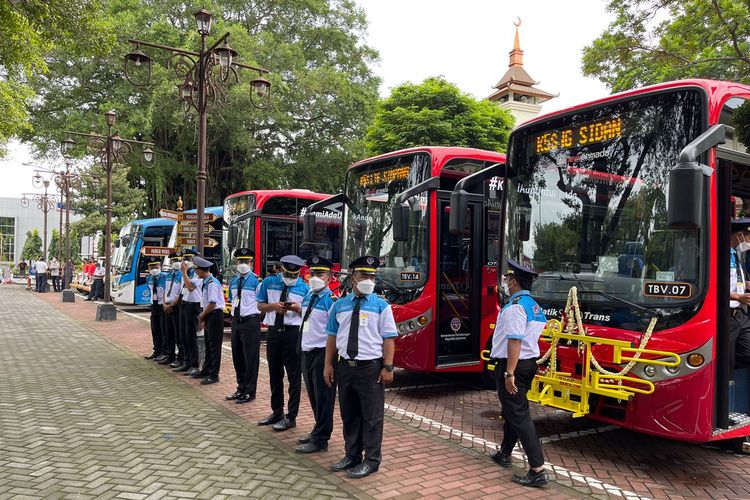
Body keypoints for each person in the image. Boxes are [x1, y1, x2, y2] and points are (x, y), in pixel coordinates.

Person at [323, 255, 397, 479]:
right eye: (365, 275)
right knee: (350, 415)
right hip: (345, 367)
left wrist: (388, 367)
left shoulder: (381, 306)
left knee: (372, 417)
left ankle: (372, 460)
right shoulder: (339, 305)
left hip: (370, 369)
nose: (369, 280)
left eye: (372, 276)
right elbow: (332, 337)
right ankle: (352, 455)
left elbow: (389, 338)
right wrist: (328, 364)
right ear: (353, 277)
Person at [488, 258, 548, 487]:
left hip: (514, 365)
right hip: (528, 364)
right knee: (513, 410)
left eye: (506, 279)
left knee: (519, 415)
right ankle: (504, 452)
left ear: (513, 281)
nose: (504, 282)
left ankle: (537, 469)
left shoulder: (515, 308)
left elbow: (514, 341)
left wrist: (509, 373)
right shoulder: (534, 306)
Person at [256, 255, 310, 431]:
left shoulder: (305, 289)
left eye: (294, 275)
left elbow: (309, 315)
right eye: (288, 274)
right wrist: (274, 307)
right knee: (274, 374)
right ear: (282, 270)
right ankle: (276, 412)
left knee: (294, 376)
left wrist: (298, 308)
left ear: (299, 273)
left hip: (293, 334)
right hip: (273, 333)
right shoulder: (269, 282)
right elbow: (260, 306)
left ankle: (291, 416)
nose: (290, 278)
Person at [296, 256, 338, 454]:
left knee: (323, 398)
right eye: (313, 273)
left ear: (329, 277)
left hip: (322, 353)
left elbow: (335, 331)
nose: (315, 277)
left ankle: (321, 439)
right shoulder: (309, 296)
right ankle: (317, 430)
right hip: (307, 351)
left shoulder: (331, 301)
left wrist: (330, 361)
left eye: (320, 274)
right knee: (313, 395)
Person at [226, 248, 261, 404]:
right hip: (236, 321)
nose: (243, 264)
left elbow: (262, 304)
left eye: (246, 261)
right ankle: (240, 388)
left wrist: (254, 318)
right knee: (237, 357)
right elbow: (232, 299)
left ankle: (250, 391)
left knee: (251, 358)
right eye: (240, 261)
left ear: (251, 263)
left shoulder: (257, 281)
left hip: (250, 322)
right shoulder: (233, 280)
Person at [191, 255, 225, 385]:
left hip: (215, 315)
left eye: (197, 270)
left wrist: (201, 316)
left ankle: (214, 374)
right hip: (209, 315)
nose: (196, 272)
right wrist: (204, 317)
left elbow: (212, 303)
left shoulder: (212, 283)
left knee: (215, 347)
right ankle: (206, 370)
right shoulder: (206, 282)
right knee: (209, 344)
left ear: (201, 270)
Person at [729, 222, 750, 370]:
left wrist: (746, 284)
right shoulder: (721, 255)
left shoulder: (735, 254)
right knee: (727, 360)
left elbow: (734, 280)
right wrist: (738, 297)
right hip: (727, 316)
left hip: (740, 315)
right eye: (749, 238)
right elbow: (714, 289)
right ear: (740, 236)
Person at [179, 250, 203, 376]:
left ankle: (194, 364)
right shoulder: (187, 272)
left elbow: (190, 287)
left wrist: (183, 272)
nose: (185, 261)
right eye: (184, 258)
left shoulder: (197, 273)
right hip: (185, 303)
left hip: (194, 305)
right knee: (183, 335)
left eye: (188, 258)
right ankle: (186, 362)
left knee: (191, 336)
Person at [162, 252, 183, 367]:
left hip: (176, 307)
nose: (176, 263)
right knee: (168, 332)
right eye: (174, 261)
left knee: (178, 333)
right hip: (167, 306)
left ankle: (180, 358)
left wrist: (171, 305)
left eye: (178, 261)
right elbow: (165, 290)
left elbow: (181, 294)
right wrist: (165, 304)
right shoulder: (169, 275)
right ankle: (170, 355)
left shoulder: (182, 275)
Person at [144, 256, 167, 361]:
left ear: (160, 266)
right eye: (151, 267)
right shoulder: (148, 277)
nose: (154, 269)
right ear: (148, 268)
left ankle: (164, 351)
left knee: (164, 329)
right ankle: (156, 350)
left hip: (163, 305)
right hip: (153, 305)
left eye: (156, 266)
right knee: (155, 329)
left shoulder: (165, 277)